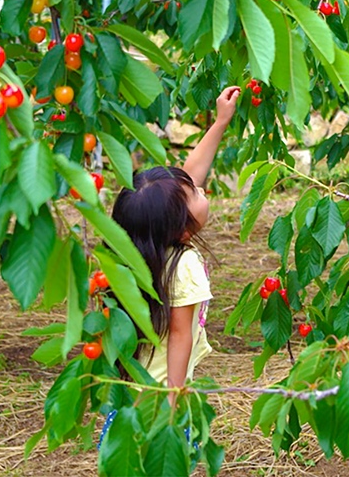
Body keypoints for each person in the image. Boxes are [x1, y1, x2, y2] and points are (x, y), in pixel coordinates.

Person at [100, 85, 240, 445]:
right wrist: (175, 399)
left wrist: (220, 122)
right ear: (178, 228)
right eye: (195, 193)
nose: (201, 189)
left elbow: (187, 177)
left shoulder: (139, 253)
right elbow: (180, 334)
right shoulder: (185, 264)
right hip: (162, 399)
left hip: (131, 394)